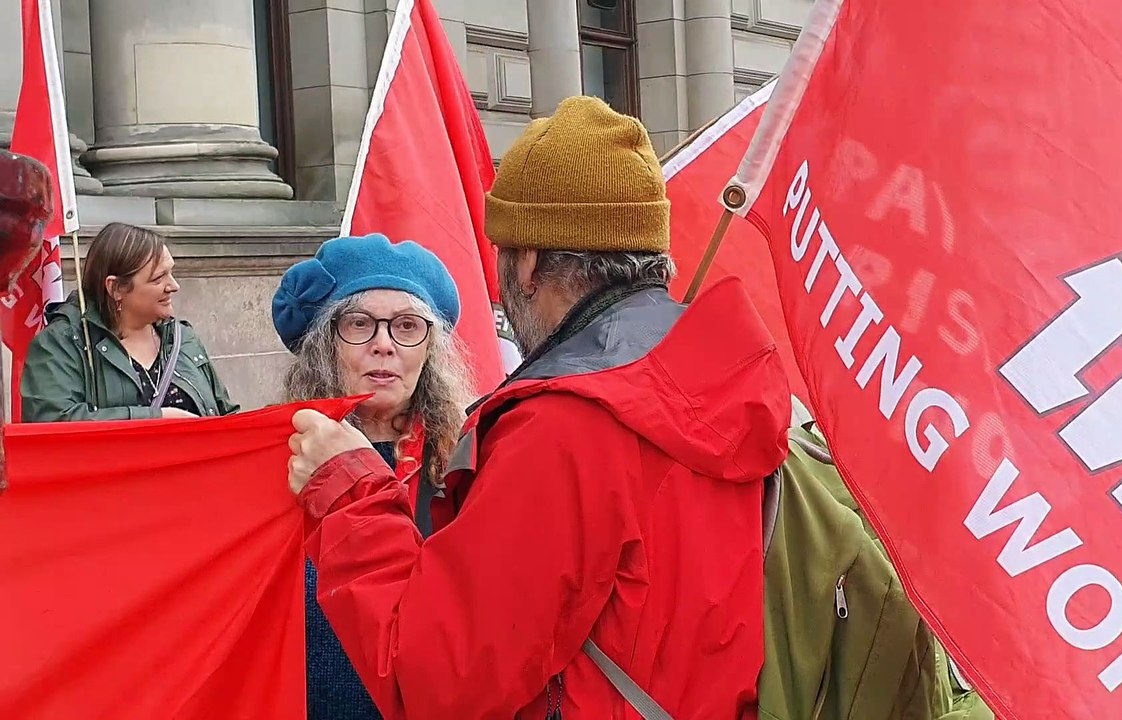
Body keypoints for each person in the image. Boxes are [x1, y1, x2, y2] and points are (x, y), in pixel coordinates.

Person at [287, 96, 791, 719]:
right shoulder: (722, 382)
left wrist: (352, 491)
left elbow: (440, 678)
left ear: (527, 263)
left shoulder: (565, 423)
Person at [271, 232, 473, 720]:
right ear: (324, 344)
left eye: (407, 326)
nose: (384, 345)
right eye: (359, 324)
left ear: (431, 351)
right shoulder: (284, 459)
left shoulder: (468, 463)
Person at [20, 222, 238, 422]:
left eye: (171, 273)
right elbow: (52, 423)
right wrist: (156, 418)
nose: (174, 286)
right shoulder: (63, 344)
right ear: (116, 288)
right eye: (158, 278)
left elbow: (226, 415)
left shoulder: (182, 337)